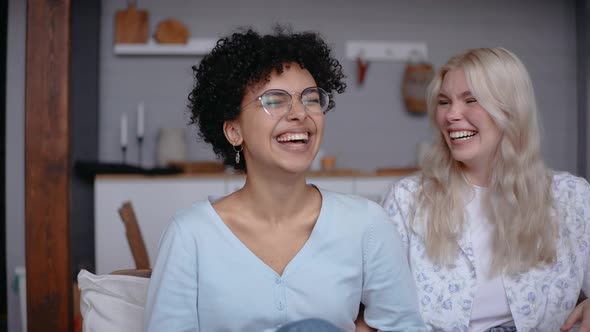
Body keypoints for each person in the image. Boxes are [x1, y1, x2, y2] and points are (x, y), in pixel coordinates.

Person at [143, 26, 426, 332]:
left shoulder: (367, 223)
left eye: (311, 99)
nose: (299, 113)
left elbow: (403, 326)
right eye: (275, 100)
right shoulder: (190, 234)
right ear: (234, 131)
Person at [380, 47, 590, 331]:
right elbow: (383, 307)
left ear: (511, 111)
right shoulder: (408, 200)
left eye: (471, 100)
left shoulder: (572, 197)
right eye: (444, 102)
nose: (452, 115)